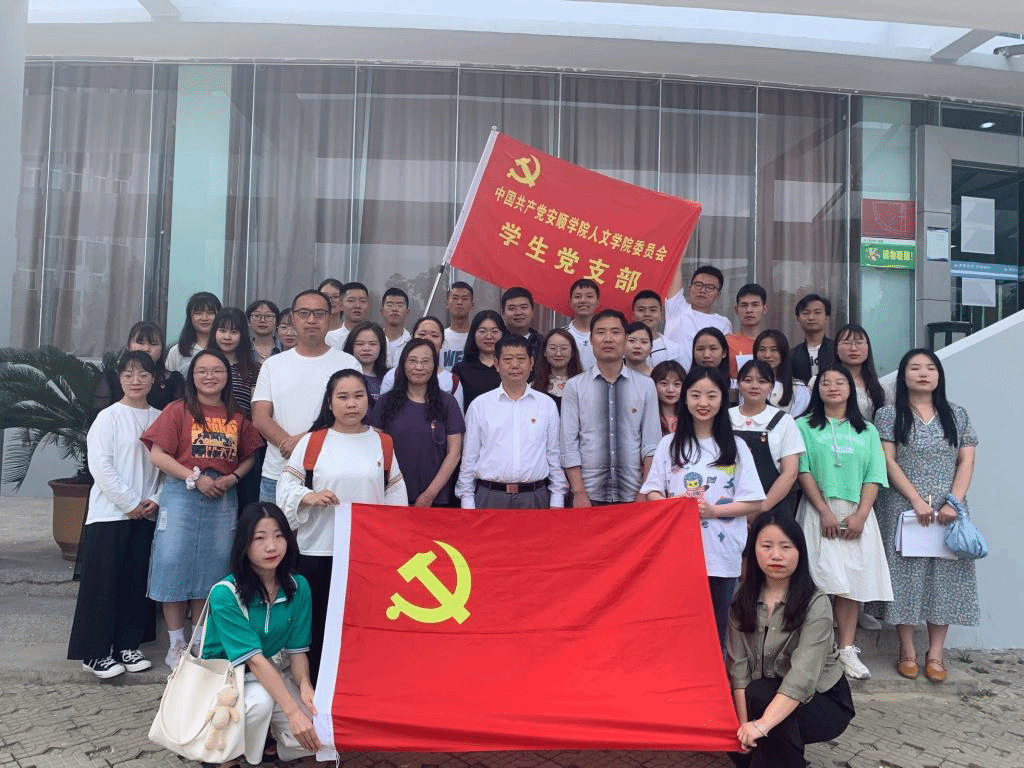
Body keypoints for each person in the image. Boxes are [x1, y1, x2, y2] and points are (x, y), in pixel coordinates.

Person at [276, 370, 407, 683]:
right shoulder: (312, 442)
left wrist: (392, 544)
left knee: (363, 618)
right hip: (319, 549)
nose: (351, 404)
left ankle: (359, 681)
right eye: (343, 397)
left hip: (366, 554)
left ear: (369, 400)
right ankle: (315, 686)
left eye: (358, 396)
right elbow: (285, 488)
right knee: (317, 620)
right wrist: (309, 496)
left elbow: (395, 498)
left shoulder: (382, 443)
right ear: (330, 403)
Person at [142, 349, 263, 670]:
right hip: (182, 492)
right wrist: (195, 479)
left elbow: (251, 455)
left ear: (227, 377)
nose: (210, 376)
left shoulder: (238, 415)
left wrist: (233, 477)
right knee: (173, 561)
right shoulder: (177, 410)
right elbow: (158, 455)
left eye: (217, 371)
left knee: (212, 566)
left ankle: (199, 639)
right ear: (192, 376)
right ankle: (176, 643)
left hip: (223, 496)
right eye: (202, 371)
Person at [872, 350, 979, 683]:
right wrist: (916, 500)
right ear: (903, 375)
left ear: (939, 376)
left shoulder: (957, 414)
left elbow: (966, 460)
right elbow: (888, 461)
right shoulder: (889, 415)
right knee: (905, 576)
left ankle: (935, 653)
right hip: (902, 507)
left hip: (948, 510)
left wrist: (954, 502)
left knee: (944, 578)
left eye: (930, 368)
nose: (923, 373)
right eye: (915, 367)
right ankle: (907, 649)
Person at [641, 365, 764, 648]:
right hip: (678, 551)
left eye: (711, 395)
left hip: (721, 553)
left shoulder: (735, 446)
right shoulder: (669, 444)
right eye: (696, 395)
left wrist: (713, 512)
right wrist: (675, 508)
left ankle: (716, 675)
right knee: (676, 625)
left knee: (715, 627)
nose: (703, 403)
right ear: (685, 399)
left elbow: (754, 500)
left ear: (722, 399)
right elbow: (652, 490)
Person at [727, 512, 855, 768]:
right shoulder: (742, 601)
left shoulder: (815, 603)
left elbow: (802, 678)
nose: (776, 555)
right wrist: (744, 726)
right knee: (740, 730)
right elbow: (738, 669)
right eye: (766, 546)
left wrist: (761, 726)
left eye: (786, 547)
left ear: (800, 553)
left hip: (822, 700)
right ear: (753, 551)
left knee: (763, 705)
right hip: (765, 694)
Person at [202, 503, 321, 765]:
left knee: (317, 735)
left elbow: (298, 651)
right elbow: (254, 660)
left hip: (272, 672)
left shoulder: (298, 586)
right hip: (227, 678)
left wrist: (305, 687)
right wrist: (293, 712)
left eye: (279, 536)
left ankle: (268, 743)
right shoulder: (224, 593)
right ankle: (224, 756)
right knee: (261, 702)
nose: (271, 546)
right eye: (260, 538)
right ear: (244, 544)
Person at [795, 363, 892, 680]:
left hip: (857, 515)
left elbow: (875, 474)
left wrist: (862, 514)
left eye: (840, 382)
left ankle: (847, 648)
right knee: (819, 581)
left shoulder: (868, 430)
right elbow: (803, 470)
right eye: (825, 382)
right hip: (817, 511)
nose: (832, 387)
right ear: (816, 389)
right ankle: (817, 650)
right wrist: (823, 510)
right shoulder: (803, 426)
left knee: (852, 583)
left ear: (851, 389)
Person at [68, 351, 162, 679]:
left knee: (136, 583)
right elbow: (101, 467)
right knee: (102, 585)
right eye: (128, 374)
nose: (136, 381)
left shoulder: (161, 417)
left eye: (143, 374)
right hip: (110, 515)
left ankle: (127, 646)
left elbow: (167, 466)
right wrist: (130, 502)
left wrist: (154, 500)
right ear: (119, 378)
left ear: (154, 379)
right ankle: (94, 653)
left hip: (146, 515)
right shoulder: (108, 417)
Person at [251, 289, 360, 504]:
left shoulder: (348, 363)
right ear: (292, 318)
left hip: (329, 474)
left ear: (330, 318)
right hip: (278, 473)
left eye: (319, 314)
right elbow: (260, 417)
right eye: (304, 313)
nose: (311, 320)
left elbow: (349, 416)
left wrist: (300, 444)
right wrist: (289, 444)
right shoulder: (273, 365)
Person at [561, 309, 661, 507]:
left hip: (633, 494)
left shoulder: (646, 385)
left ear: (625, 338)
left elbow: (651, 445)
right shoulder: (575, 386)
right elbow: (568, 444)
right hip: (589, 495)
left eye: (615, 332)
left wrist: (644, 492)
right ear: (591, 339)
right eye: (600, 332)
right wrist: (579, 493)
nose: (608, 339)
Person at [457, 336, 566, 509]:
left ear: (531, 363)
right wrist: (467, 500)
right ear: (497, 364)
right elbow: (469, 457)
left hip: (534, 496)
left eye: (521, 359)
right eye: (507, 359)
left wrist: (557, 499)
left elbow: (554, 454)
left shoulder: (546, 405)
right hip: (490, 496)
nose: (515, 365)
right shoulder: (480, 405)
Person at [368, 339, 465, 507]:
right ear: (403, 365)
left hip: (435, 500)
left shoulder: (448, 403)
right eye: (412, 361)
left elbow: (454, 453)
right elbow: (373, 449)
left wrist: (429, 494)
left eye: (425, 361)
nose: (419, 367)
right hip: (391, 496)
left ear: (434, 366)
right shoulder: (386, 402)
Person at [730, 360, 805, 519]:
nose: (754, 386)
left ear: (771, 386)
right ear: (738, 384)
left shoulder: (784, 421)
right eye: (748, 380)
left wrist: (761, 508)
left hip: (772, 509)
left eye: (762, 381)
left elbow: (790, 473)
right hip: (728, 506)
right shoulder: (724, 418)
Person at [91, 321, 184, 412]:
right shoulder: (111, 378)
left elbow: (180, 415)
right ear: (128, 346)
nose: (146, 349)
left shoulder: (174, 380)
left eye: (153, 344)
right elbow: (97, 414)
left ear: (162, 349)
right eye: (140, 342)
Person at [379, 315, 465, 412]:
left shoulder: (452, 382)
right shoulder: (393, 376)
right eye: (422, 334)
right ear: (412, 338)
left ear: (442, 343)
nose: (427, 339)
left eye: (434, 336)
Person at [663, 265, 732, 370]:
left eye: (710, 287)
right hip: (671, 376)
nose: (703, 291)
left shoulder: (723, 323)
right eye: (698, 285)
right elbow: (676, 269)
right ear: (690, 288)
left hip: (704, 377)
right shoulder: (677, 308)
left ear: (718, 295)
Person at [209, 307, 261, 418]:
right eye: (222, 331)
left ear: (242, 335)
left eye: (234, 332)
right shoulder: (203, 365)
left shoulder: (254, 369)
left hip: (242, 425)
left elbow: (256, 412)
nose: (227, 337)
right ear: (214, 332)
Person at [452, 310, 506, 409]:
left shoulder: (510, 367)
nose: (489, 336)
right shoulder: (461, 370)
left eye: (495, 331)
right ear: (473, 334)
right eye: (482, 331)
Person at [834, 323, 886, 421]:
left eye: (859, 343)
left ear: (868, 348)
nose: (853, 348)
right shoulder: (821, 382)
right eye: (847, 343)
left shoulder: (881, 387)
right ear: (836, 349)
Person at [754, 330, 811, 417]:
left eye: (774, 350)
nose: (767, 355)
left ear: (783, 353)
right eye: (762, 349)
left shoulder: (798, 387)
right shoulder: (748, 384)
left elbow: (799, 419)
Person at [166, 291, 222, 374]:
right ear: (190, 317)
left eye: (210, 313)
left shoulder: (225, 347)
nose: (204, 318)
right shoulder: (177, 351)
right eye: (198, 313)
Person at [531, 328, 582, 411]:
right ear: (544, 352)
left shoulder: (582, 384)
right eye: (552, 348)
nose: (558, 353)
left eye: (564, 348)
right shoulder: (533, 387)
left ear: (572, 352)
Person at [632, 289, 684, 367]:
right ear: (633, 314)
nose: (647, 314)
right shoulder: (623, 347)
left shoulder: (674, 350)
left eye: (653, 310)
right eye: (641, 310)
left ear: (661, 314)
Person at [726, 284, 768, 378]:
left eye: (755, 305)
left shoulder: (772, 343)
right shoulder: (727, 343)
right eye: (744, 305)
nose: (749, 310)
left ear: (764, 309)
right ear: (736, 310)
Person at [790, 294, 834, 385]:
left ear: (827, 317)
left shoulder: (837, 351)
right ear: (798, 318)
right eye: (805, 313)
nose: (811, 317)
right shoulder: (792, 355)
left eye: (817, 312)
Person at [342, 321, 389, 404]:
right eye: (360, 344)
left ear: (381, 347)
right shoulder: (342, 377)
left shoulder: (389, 378)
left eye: (373, 344)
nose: (366, 348)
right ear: (351, 346)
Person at [563, 278, 600, 370]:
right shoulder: (561, 335)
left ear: (597, 302)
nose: (583, 300)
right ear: (571, 302)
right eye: (577, 296)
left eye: (589, 296)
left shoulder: (606, 336)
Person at [500, 286, 543, 362]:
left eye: (523, 307)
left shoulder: (543, 344)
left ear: (532, 311)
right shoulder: (496, 341)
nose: (518, 313)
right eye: (512, 308)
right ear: (503, 313)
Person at [325, 281, 370, 350]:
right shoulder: (329, 339)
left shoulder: (379, 338)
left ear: (369, 306)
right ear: (340, 305)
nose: (357, 305)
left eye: (363, 301)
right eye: (351, 300)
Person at [441, 281, 475, 369]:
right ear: (447, 304)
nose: (459, 302)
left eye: (464, 298)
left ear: (472, 305)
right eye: (455, 298)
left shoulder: (479, 338)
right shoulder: (439, 337)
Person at [651, 359, 685, 436]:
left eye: (677, 384)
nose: (670, 390)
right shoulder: (648, 416)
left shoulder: (690, 417)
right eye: (664, 383)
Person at [379, 287, 411, 367]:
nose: (394, 309)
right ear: (382, 311)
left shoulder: (412, 343)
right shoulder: (375, 341)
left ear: (407, 312)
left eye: (400, 305)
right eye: (389, 305)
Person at [247, 299, 281, 363]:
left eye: (268, 316)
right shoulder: (244, 350)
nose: (262, 320)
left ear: (277, 322)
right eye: (257, 316)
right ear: (249, 322)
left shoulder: (284, 348)